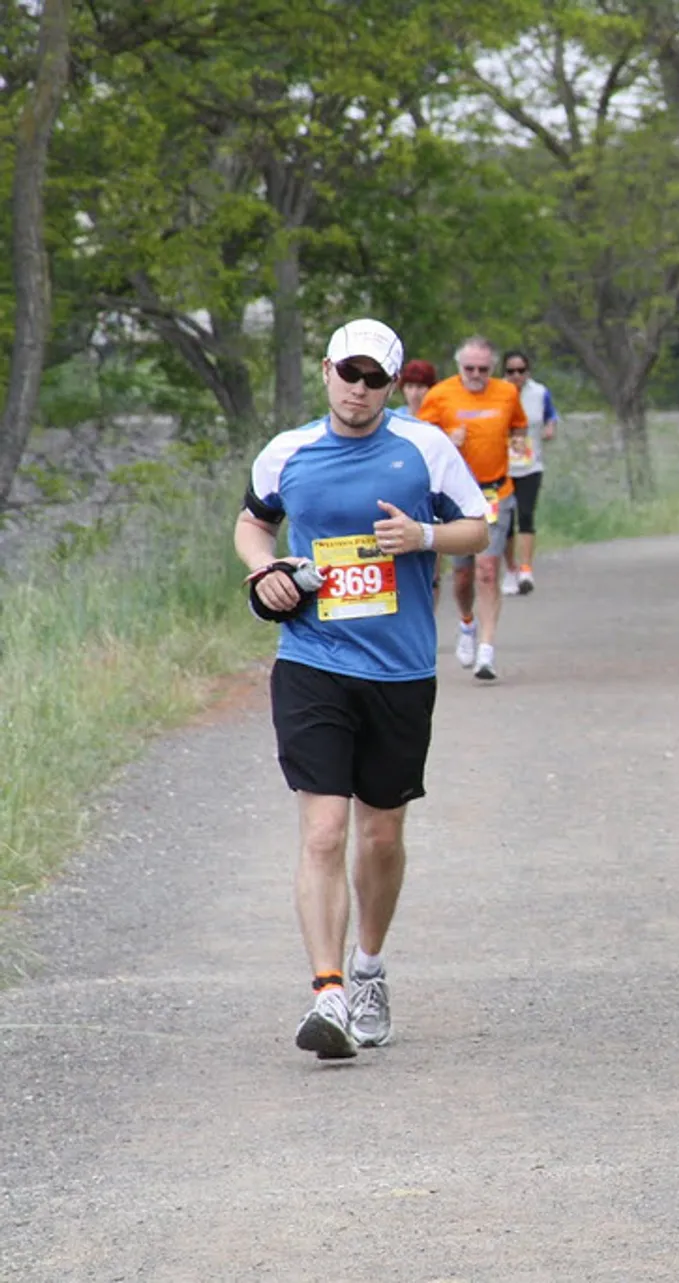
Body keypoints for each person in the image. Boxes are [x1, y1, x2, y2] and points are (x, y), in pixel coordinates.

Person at [233, 318, 489, 1060]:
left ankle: (370, 968)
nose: (359, 388)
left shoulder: (424, 448)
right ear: (325, 371)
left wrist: (425, 538)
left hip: (400, 667)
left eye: (375, 378)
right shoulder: (288, 450)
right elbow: (253, 525)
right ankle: (328, 991)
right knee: (322, 829)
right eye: (349, 372)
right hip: (313, 657)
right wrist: (266, 569)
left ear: (392, 384)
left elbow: (478, 524)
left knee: (381, 833)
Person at [415, 336, 528, 681]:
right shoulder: (440, 395)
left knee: (487, 570)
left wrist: (519, 442)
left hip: (496, 491)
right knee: (463, 575)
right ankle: (467, 623)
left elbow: (518, 425)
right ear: (458, 367)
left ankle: (487, 651)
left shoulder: (507, 393)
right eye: (469, 369)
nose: (476, 374)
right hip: (455, 497)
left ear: (492, 369)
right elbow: (419, 440)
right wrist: (448, 441)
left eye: (483, 369)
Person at [502, 349, 559, 594]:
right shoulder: (497, 393)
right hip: (501, 466)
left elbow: (551, 416)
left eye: (521, 371)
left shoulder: (539, 393)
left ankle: (526, 568)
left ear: (528, 371)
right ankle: (510, 569)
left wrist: (550, 428)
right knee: (504, 521)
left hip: (530, 465)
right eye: (511, 371)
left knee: (526, 515)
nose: (516, 376)